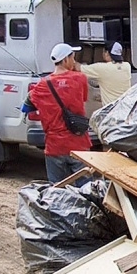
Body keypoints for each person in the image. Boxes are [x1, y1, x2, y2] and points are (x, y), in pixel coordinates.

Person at [27, 43, 91, 184]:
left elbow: (25, 108)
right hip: (79, 144)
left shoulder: (43, 85)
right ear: (66, 60)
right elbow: (83, 99)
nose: (74, 61)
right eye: (73, 58)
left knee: (57, 192)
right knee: (86, 190)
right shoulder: (80, 79)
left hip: (54, 146)